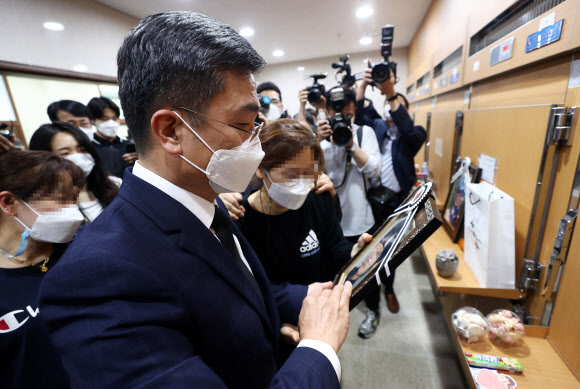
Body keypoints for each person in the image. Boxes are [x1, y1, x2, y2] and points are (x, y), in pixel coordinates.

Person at [39, 12, 351, 389]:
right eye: (242, 125)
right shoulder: (98, 279)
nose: (255, 143)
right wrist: (318, 349)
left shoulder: (207, 202)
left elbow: (239, 291)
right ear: (171, 131)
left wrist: (306, 299)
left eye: (257, 125)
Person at [237, 119, 372, 286]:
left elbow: (335, 245)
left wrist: (354, 252)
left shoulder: (318, 194)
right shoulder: (241, 219)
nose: (301, 185)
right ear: (260, 169)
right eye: (291, 175)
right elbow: (257, 285)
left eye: (309, 173)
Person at [0, 150, 86, 389]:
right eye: (59, 198)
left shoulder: (89, 249)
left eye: (74, 198)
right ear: (9, 203)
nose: (72, 211)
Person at [354, 67, 427, 338]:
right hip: (373, 201)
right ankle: (374, 306)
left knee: (392, 253)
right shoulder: (378, 128)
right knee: (372, 252)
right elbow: (361, 114)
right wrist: (362, 87)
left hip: (398, 202)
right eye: (389, 104)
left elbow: (408, 130)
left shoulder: (415, 134)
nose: (391, 108)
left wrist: (391, 92)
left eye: (396, 105)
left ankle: (390, 287)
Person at [317, 87, 381, 241]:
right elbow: (305, 176)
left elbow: (375, 172)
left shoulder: (364, 132)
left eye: (348, 116)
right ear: (326, 113)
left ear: (355, 111)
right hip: (329, 223)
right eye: (337, 116)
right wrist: (315, 141)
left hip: (361, 222)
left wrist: (351, 145)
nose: (343, 121)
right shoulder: (319, 137)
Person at [29, 121, 121, 223]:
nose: (78, 157)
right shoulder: (43, 205)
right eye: (65, 153)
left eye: (82, 150)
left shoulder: (115, 184)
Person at [88, 97, 138, 178]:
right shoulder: (89, 148)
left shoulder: (128, 145)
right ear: (92, 120)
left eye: (114, 118)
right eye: (104, 119)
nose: (111, 123)